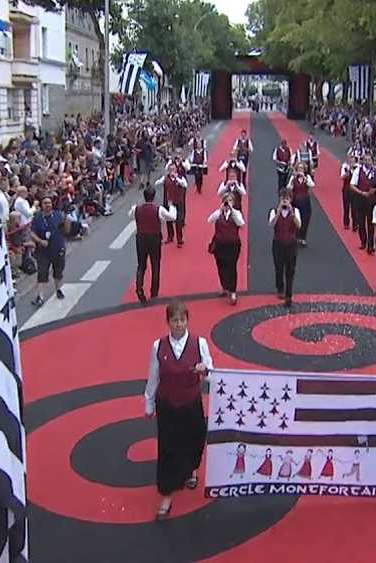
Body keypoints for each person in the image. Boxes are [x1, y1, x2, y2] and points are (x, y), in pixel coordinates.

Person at [142, 301, 212, 520]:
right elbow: (153, 376)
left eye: (182, 320)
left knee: (195, 438)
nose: (179, 324)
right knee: (168, 448)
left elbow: (211, 374)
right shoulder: (158, 346)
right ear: (168, 322)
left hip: (191, 403)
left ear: (187, 321)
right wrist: (149, 403)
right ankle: (166, 495)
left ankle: (191, 469)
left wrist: (205, 370)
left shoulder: (200, 343)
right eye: (174, 320)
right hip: (167, 404)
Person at [131, 187, 176, 304]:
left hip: (141, 238)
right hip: (154, 238)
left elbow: (130, 214)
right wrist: (172, 207)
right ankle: (154, 291)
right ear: (154, 197)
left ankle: (139, 289)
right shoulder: (158, 209)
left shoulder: (137, 208)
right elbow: (172, 217)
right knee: (155, 264)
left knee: (141, 265)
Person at [30, 196, 69, 307]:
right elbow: (32, 233)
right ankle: (40, 296)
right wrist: (40, 241)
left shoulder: (58, 215)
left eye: (49, 203)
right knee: (42, 273)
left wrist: (67, 221)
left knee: (58, 271)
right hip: (43, 251)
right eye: (45, 203)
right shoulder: (37, 218)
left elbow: (66, 230)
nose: (48, 205)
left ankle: (58, 289)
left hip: (57, 248)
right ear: (41, 205)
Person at [208, 195, 245, 305]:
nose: (227, 203)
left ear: (233, 202)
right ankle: (224, 286)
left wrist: (232, 210)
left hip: (233, 245)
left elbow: (241, 223)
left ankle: (233, 291)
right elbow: (210, 220)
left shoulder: (236, 213)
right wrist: (220, 210)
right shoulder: (218, 213)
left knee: (232, 267)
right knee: (221, 266)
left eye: (230, 201)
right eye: (226, 201)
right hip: (220, 244)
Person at [269, 194, 301, 306]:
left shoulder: (295, 211)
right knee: (279, 267)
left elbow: (299, 225)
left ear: (290, 200)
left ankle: (289, 295)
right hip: (278, 243)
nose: (284, 201)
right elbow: (271, 224)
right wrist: (278, 213)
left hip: (291, 244)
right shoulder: (273, 211)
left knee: (290, 269)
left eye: (287, 199)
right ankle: (280, 288)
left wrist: (292, 213)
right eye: (283, 199)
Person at [287, 163, 316, 247]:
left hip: (305, 201)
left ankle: (303, 238)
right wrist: (292, 181)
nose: (300, 170)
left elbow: (312, 185)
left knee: (305, 219)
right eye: (299, 168)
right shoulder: (293, 178)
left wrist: (304, 178)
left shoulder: (307, 177)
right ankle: (295, 236)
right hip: (295, 201)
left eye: (302, 168)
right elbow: (288, 188)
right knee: (295, 218)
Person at [161, 161, 189, 247]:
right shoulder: (165, 178)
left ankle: (179, 239)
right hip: (169, 202)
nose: (172, 171)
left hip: (178, 202)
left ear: (176, 170)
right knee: (168, 220)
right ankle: (170, 236)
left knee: (178, 221)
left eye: (173, 169)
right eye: (170, 169)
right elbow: (157, 183)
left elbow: (185, 185)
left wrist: (177, 178)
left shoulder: (180, 178)